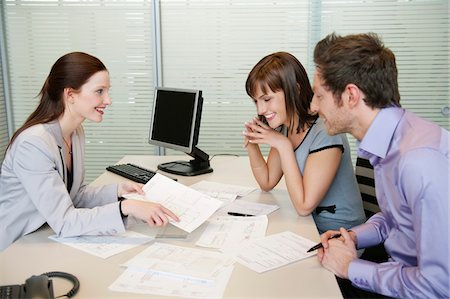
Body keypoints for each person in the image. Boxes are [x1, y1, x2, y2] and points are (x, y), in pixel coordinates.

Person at [311, 32, 449, 298]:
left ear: (350, 95)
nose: (314, 106)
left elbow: (439, 285)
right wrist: (352, 237)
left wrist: (350, 267)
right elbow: (396, 218)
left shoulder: (418, 162)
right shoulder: (389, 140)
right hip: (396, 272)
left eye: (319, 95)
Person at [0, 52, 179, 251]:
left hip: (46, 235)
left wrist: (118, 191)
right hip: (16, 247)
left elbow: (72, 196)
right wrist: (126, 207)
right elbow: (65, 221)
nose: (108, 100)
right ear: (70, 95)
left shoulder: (75, 133)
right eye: (99, 91)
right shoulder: (33, 144)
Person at [243, 51, 365, 234]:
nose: (261, 109)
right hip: (309, 227)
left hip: (341, 233)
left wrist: (283, 145)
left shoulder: (326, 131)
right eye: (256, 101)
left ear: (295, 89)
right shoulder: (284, 127)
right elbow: (267, 181)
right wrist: (252, 144)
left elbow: (304, 206)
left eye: (267, 99)